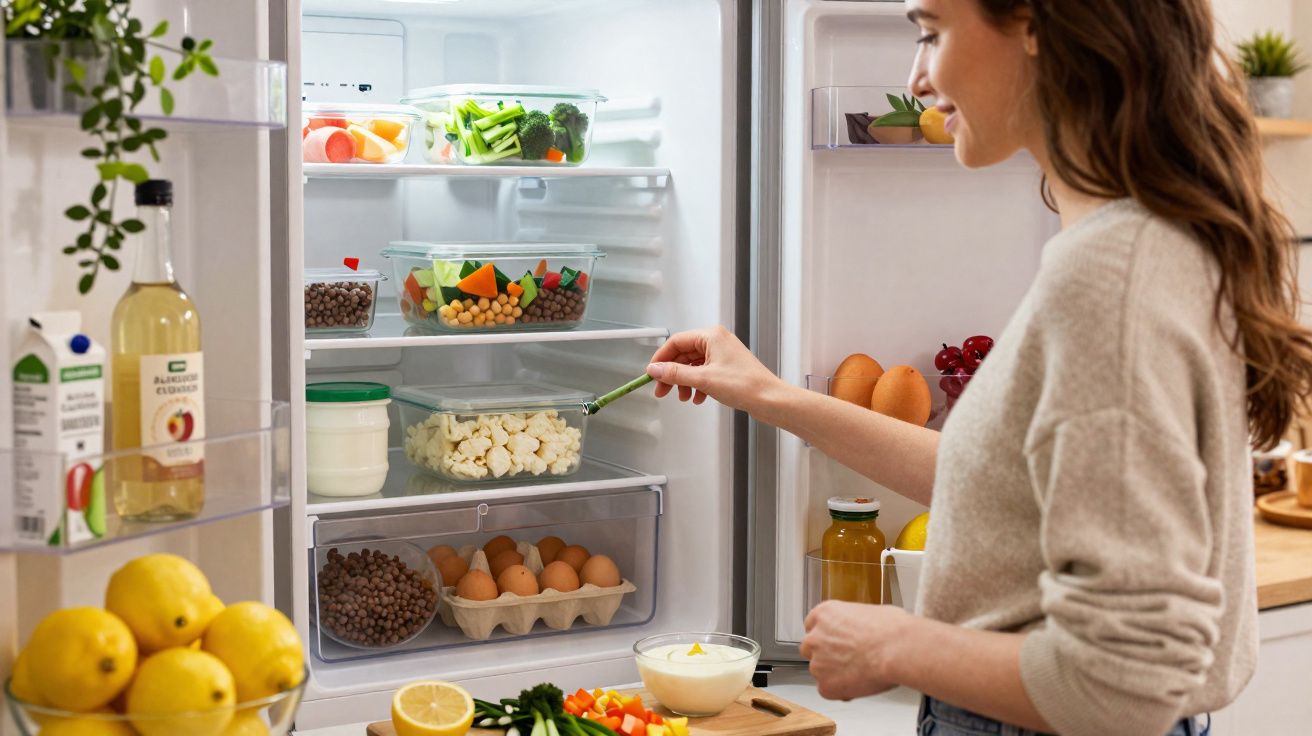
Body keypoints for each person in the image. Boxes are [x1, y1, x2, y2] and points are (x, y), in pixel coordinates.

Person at [643, 1, 1312, 734]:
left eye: (931, 33)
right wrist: (771, 396)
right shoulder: (1147, 240)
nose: (916, 78)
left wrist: (897, 643)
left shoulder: (1108, 277)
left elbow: (1128, 681)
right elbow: (1010, 490)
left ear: (1035, 24)